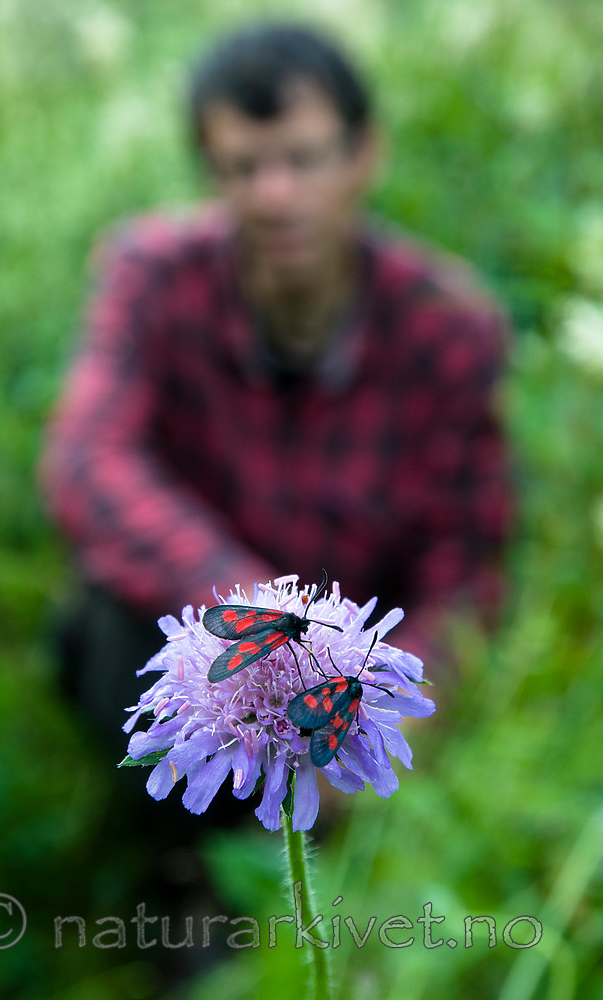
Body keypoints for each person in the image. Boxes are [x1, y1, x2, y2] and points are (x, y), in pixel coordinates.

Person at [41, 22, 511, 732]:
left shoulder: (448, 325)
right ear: (208, 169)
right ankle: (172, 834)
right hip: (204, 635)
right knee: (104, 615)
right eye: (244, 166)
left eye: (304, 158)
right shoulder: (150, 273)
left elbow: (467, 565)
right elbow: (85, 460)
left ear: (364, 154)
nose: (276, 193)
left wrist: (385, 713)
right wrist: (250, 610)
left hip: (348, 677)